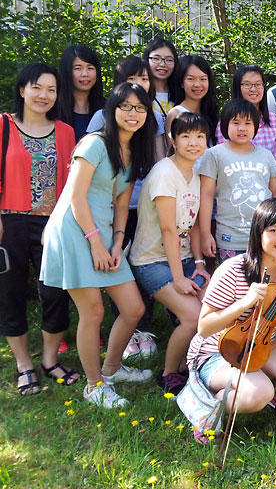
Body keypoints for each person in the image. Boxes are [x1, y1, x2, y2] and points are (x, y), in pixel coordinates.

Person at [40, 83, 157, 408]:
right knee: (93, 312)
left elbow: (122, 205)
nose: (133, 114)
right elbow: (75, 196)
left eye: (140, 108)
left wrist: (117, 242)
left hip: (104, 233)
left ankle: (112, 368)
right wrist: (95, 243)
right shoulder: (93, 143)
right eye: (126, 106)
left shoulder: (135, 152)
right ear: (113, 109)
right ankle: (94, 385)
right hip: (75, 231)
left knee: (133, 308)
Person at [187, 199, 276, 427]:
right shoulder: (234, 269)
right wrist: (244, 303)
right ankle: (206, 411)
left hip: (259, 345)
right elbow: (204, 328)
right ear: (258, 232)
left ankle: (269, 391)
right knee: (258, 393)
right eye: (273, 230)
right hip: (217, 352)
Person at [0, 64, 77, 394]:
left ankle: (49, 360)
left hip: (53, 223)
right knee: (10, 293)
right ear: (22, 90)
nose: (44, 95)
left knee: (55, 293)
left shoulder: (65, 132)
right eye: (37, 87)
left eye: (51, 89)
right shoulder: (3, 126)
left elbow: (72, 182)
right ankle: (23, 364)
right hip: (10, 222)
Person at [85, 56, 168, 361]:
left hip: (143, 206)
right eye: (132, 78)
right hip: (109, 211)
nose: (139, 84)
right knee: (115, 269)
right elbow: (92, 177)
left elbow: (159, 163)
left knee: (141, 263)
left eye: (144, 79)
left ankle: (142, 328)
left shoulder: (153, 119)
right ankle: (122, 332)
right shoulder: (100, 121)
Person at [129, 112, 210, 394]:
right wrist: (179, 278)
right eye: (186, 136)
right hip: (152, 261)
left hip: (185, 258)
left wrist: (199, 265)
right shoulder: (165, 172)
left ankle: (196, 365)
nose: (193, 142)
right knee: (192, 315)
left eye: (199, 136)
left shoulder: (196, 173)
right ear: (172, 140)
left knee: (212, 307)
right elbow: (167, 229)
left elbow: (196, 223)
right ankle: (169, 373)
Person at [199, 100, 276, 263]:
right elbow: (206, 195)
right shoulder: (214, 155)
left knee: (263, 284)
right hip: (230, 237)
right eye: (235, 123)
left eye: (248, 123)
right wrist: (205, 233)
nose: (242, 128)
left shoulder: (266, 155)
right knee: (233, 284)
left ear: (256, 126)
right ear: (224, 125)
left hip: (265, 236)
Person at [215, 65, 276, 159]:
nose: (253, 89)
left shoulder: (273, 119)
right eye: (247, 84)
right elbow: (221, 157)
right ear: (238, 87)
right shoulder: (228, 120)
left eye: (258, 84)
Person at [165, 55, 220, 148]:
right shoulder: (176, 114)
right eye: (190, 79)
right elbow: (174, 154)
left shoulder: (212, 113)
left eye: (203, 79)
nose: (197, 84)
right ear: (182, 83)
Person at [57, 44, 105, 142]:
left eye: (90, 68)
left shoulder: (107, 110)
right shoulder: (53, 110)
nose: (85, 74)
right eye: (78, 68)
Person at [143, 37, 179, 122]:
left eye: (169, 60)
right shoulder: (140, 92)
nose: (162, 64)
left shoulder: (181, 93)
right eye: (156, 58)